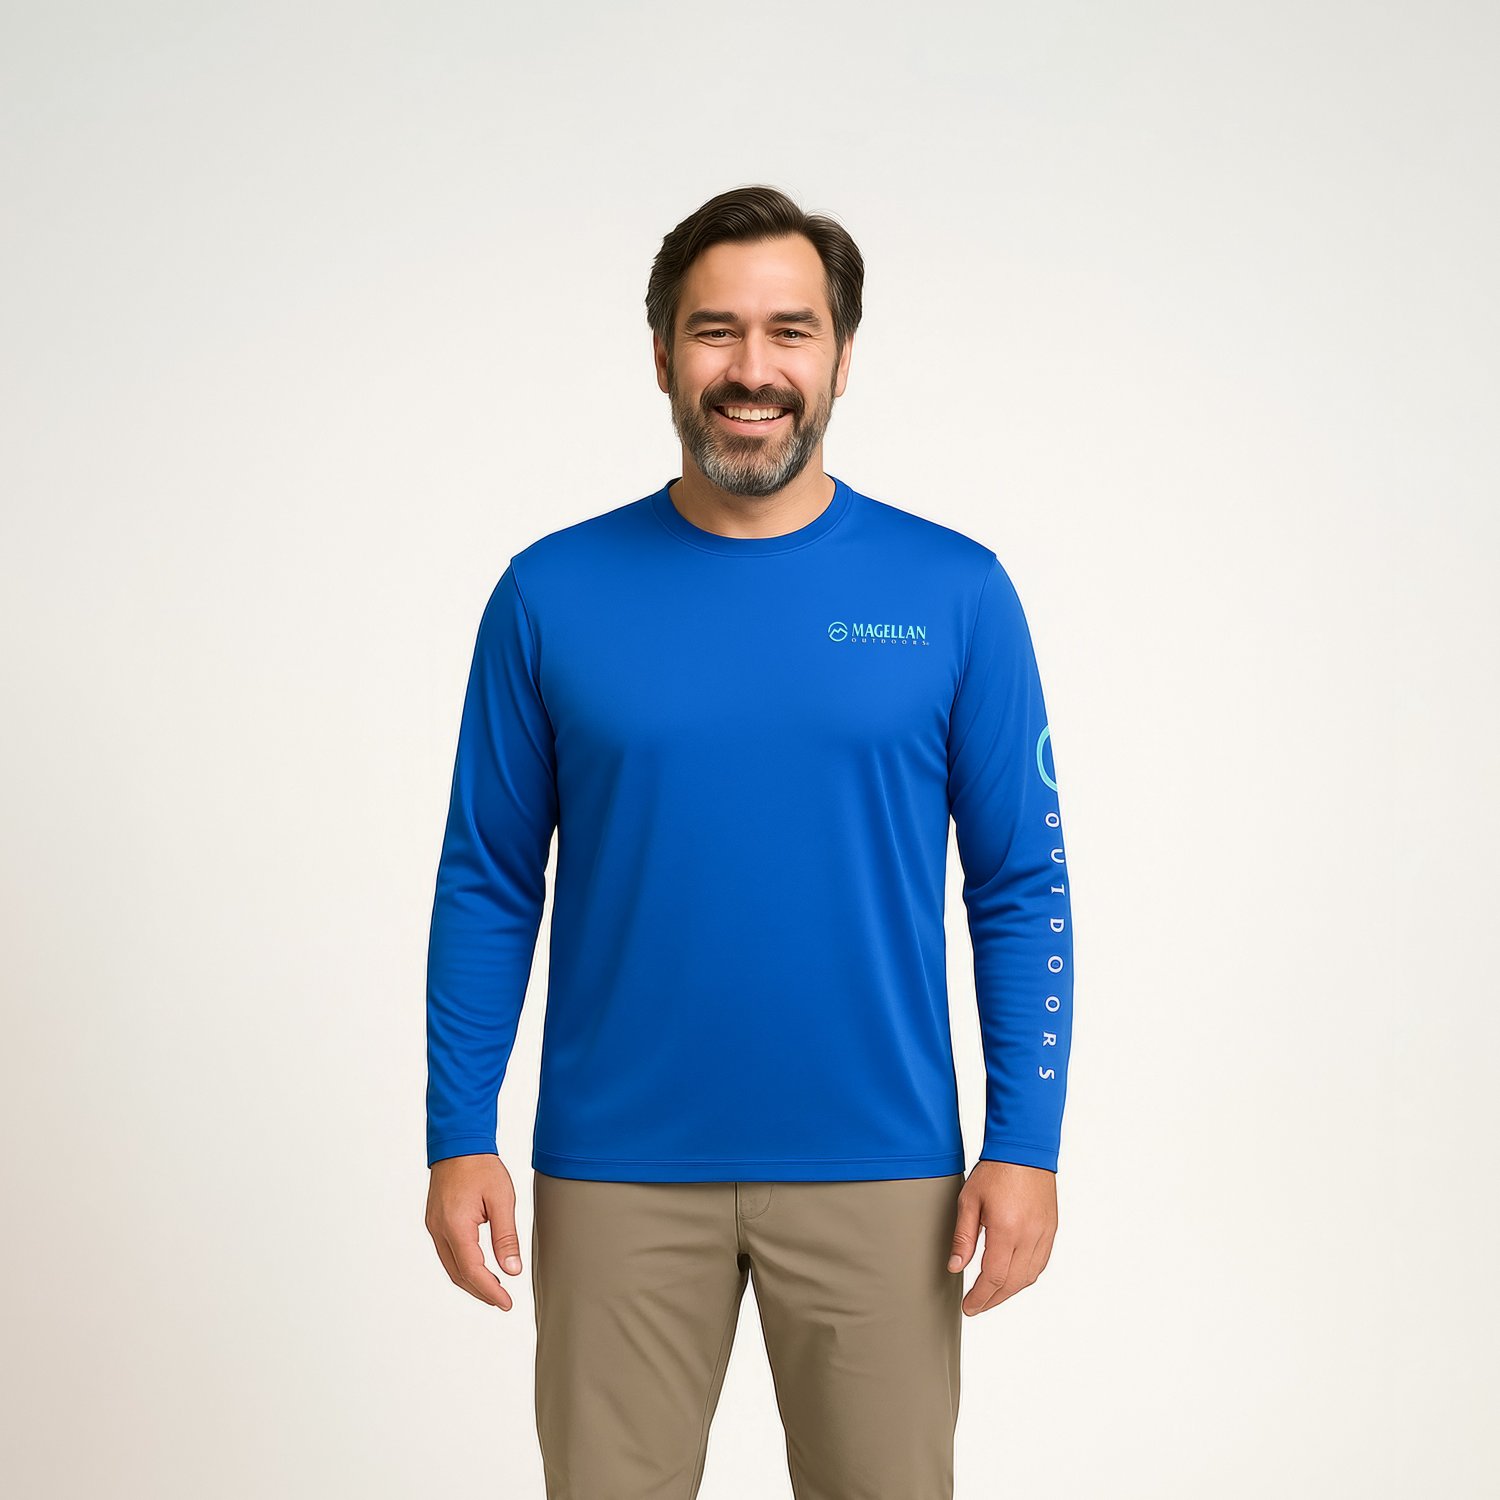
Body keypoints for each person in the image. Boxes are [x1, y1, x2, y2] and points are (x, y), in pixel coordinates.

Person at [423, 183, 1075, 1500]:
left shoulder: (953, 592)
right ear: (663, 353)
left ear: (842, 356)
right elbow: (489, 878)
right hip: (616, 1168)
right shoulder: (551, 592)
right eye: (716, 331)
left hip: (882, 1167)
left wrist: (1027, 1142)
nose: (752, 369)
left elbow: (1020, 886)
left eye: (791, 330)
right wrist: (456, 1129)